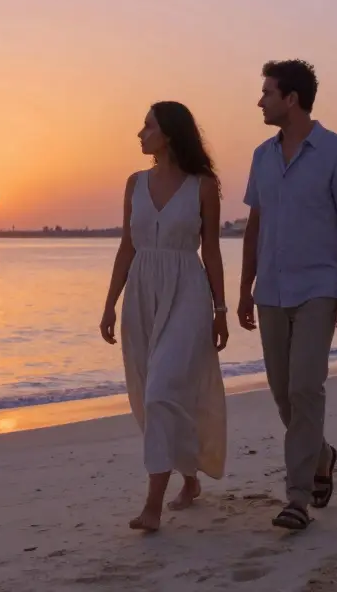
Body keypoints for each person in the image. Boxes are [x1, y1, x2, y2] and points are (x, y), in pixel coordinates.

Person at [237, 60, 337, 531]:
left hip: (319, 288)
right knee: (282, 393)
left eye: (267, 93)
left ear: (291, 99)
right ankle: (322, 456)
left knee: (305, 387)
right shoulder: (261, 156)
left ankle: (296, 498)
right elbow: (255, 227)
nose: (260, 101)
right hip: (270, 289)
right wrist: (244, 289)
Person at [100, 101, 229, 532]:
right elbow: (126, 246)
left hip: (187, 292)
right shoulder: (134, 183)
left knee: (161, 392)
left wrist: (221, 308)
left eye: (148, 126)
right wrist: (109, 303)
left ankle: (152, 506)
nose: (140, 133)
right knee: (151, 394)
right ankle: (189, 478)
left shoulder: (203, 185)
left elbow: (210, 249)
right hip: (140, 293)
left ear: (169, 134)